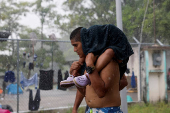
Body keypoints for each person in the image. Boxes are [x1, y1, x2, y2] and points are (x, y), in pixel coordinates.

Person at [62, 24, 133, 113]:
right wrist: (75, 77)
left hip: (106, 110)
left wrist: (90, 67)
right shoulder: (89, 62)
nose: (74, 50)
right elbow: (86, 92)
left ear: (85, 42)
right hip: (92, 110)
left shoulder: (108, 62)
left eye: (76, 45)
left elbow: (100, 92)